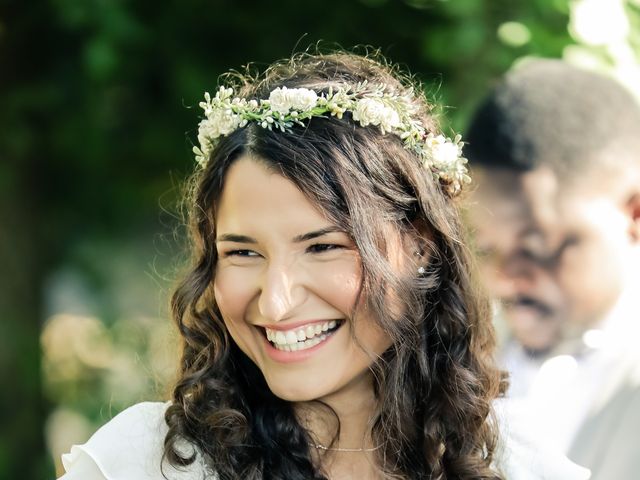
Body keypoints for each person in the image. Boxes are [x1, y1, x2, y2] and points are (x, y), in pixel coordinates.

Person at [58, 52, 589, 480]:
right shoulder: (138, 465)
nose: (277, 301)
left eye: (322, 247)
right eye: (242, 253)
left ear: (422, 245)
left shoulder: (523, 468)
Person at [466, 58, 640, 480]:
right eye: (485, 249)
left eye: (537, 246)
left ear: (633, 214)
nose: (500, 278)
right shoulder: (458, 354)